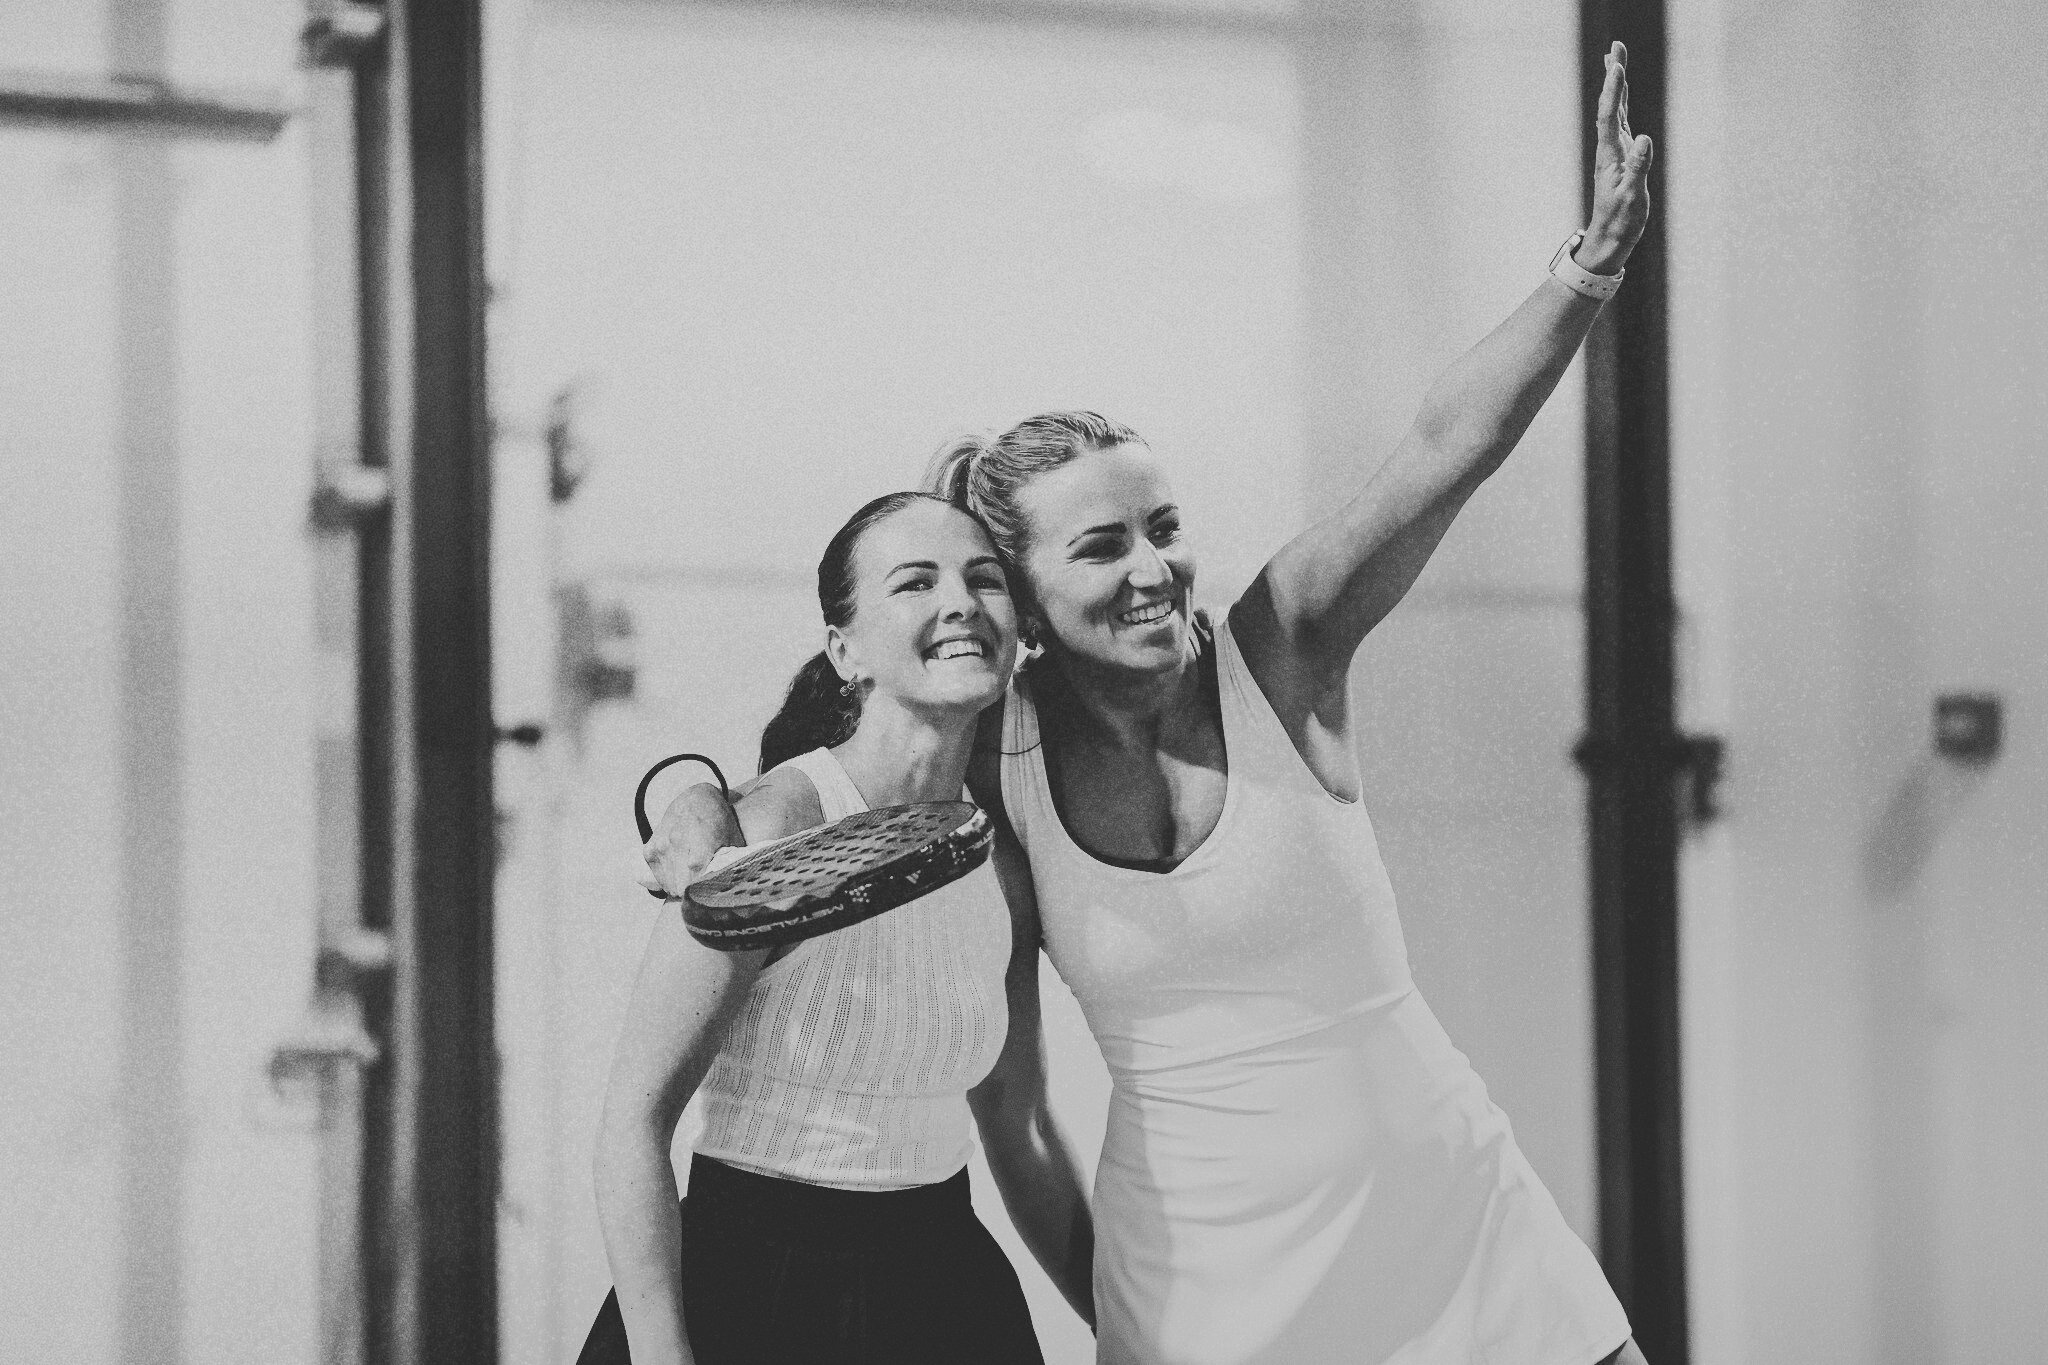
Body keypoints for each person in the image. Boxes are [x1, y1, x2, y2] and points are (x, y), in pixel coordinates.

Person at [645, 43, 1655, 1365]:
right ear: (1021, 596)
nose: (1155, 568)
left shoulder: (1282, 648)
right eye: (1101, 548)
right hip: (1203, 1292)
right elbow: (1004, 1104)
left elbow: (1438, 449)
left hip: (1457, 1231)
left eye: (1163, 527)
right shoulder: (995, 768)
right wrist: (681, 788)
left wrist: (1581, 278)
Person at [588, 492, 1095, 1365]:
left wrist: (1121, 1321)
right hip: (749, 1290)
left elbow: (1018, 1118)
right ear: (844, 650)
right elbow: (633, 1122)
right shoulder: (765, 831)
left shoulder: (1002, 864)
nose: (961, 603)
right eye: (914, 583)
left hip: (945, 1293)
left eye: (984, 579)